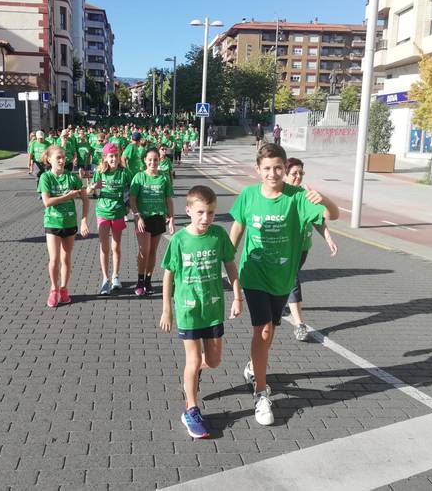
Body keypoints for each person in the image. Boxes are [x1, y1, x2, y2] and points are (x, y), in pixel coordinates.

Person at [229, 143, 339, 425]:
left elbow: (333, 215)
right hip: (254, 273)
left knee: (271, 330)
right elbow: (238, 228)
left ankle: (254, 365)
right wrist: (227, 262)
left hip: (283, 277)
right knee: (263, 329)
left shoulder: (297, 197)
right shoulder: (248, 195)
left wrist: (325, 199)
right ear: (258, 169)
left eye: (278, 168)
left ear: (284, 168)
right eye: (267, 168)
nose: (272, 173)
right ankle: (261, 393)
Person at [160, 185, 243, 438]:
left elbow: (230, 266)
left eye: (211, 213)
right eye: (200, 212)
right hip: (188, 309)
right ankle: (191, 409)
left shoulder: (218, 236)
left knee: (214, 361)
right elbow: (168, 275)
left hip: (213, 308)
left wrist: (237, 297)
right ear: (188, 210)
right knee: (193, 360)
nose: (206, 218)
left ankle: (191, 376)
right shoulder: (179, 240)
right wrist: (167, 309)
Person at [284, 158, 338, 342]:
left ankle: (280, 301)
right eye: (294, 173)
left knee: (289, 279)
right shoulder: (280, 195)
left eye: (301, 173)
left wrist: (328, 238)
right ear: (285, 174)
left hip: (303, 248)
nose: (298, 177)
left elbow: (318, 219)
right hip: (284, 247)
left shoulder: (306, 195)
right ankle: (299, 324)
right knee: (292, 279)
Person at [38, 145, 90, 308]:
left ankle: (64, 288)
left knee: (66, 258)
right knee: (54, 259)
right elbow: (47, 202)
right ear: (49, 160)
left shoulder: (72, 178)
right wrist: (67, 196)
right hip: (52, 222)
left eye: (63, 157)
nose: (62, 160)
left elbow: (85, 199)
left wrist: (84, 220)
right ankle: (54, 289)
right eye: (58, 158)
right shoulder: (46, 177)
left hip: (69, 222)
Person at [129, 147, 175, 296]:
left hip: (158, 218)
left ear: (159, 160)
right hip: (143, 218)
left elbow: (168, 199)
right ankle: (140, 281)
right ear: (145, 160)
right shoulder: (139, 177)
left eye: (155, 160)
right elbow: (132, 199)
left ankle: (148, 281)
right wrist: (137, 216)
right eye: (150, 160)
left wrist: (172, 219)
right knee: (144, 250)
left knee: (152, 251)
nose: (153, 162)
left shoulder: (164, 178)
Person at [88, 143, 132, 295]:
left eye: (116, 156)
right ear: (105, 158)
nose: (114, 159)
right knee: (104, 247)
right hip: (103, 212)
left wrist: (128, 205)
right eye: (111, 156)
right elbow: (88, 191)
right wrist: (93, 187)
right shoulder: (100, 172)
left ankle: (115, 276)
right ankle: (105, 279)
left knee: (116, 247)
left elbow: (131, 190)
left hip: (118, 212)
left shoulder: (124, 172)